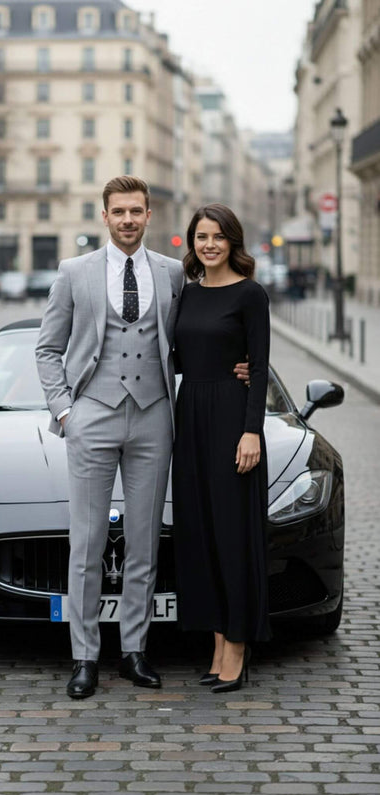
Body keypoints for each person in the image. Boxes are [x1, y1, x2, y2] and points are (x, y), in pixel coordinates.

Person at [36, 177, 249, 699]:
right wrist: (65, 412)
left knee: (144, 543)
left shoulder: (175, 273)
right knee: (85, 543)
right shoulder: (74, 273)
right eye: (119, 211)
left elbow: (205, 328)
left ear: (149, 214)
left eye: (136, 211)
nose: (128, 220)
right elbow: (47, 350)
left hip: (154, 418)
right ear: (104, 216)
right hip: (91, 416)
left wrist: (237, 368)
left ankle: (134, 650)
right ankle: (84, 657)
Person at [172, 203, 271, 694]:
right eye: (201, 236)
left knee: (233, 535)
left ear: (233, 241)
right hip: (189, 415)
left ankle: (237, 647)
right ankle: (215, 646)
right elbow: (170, 358)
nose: (208, 244)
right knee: (201, 533)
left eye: (217, 237)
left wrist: (252, 431)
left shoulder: (251, 295)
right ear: (191, 242)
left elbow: (261, 366)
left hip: (233, 418)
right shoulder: (186, 295)